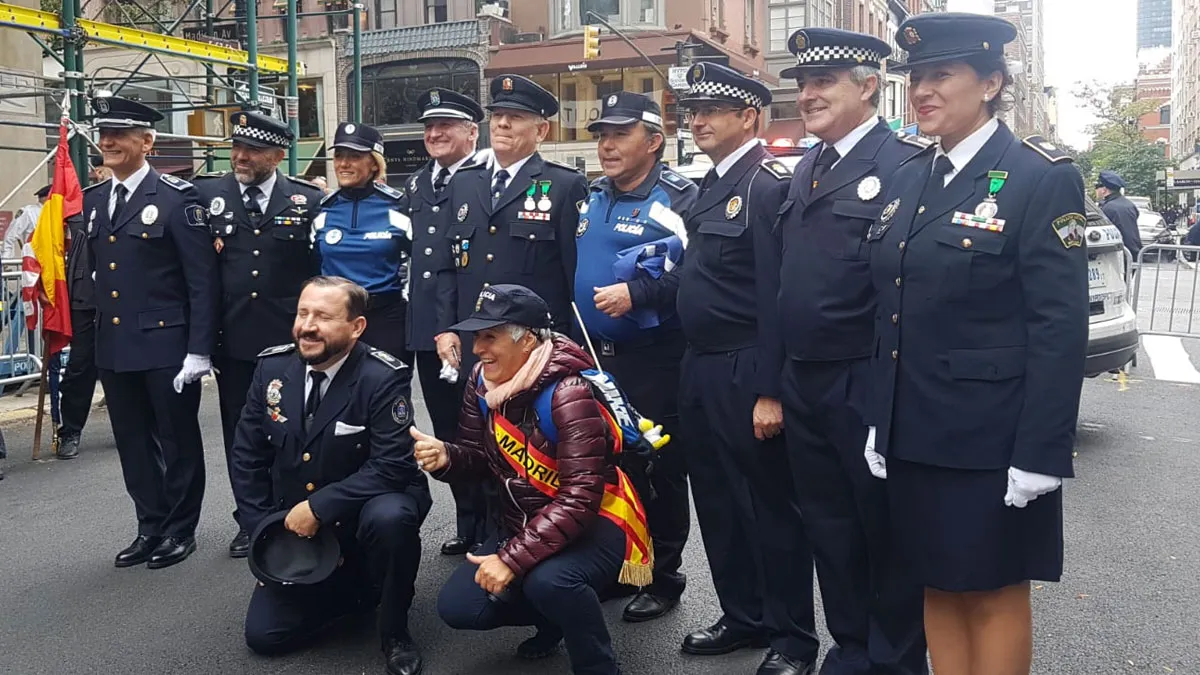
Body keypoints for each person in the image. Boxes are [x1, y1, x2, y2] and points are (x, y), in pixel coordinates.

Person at [867, 14, 1088, 674]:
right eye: (915, 77)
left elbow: (1059, 326)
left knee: (992, 588)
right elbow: (893, 311)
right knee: (936, 579)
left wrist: (1042, 451)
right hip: (916, 431)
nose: (922, 90)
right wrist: (882, 421)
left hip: (992, 437)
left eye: (941, 74)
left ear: (992, 82)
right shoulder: (913, 177)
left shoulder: (1036, 176)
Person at [774, 28, 928, 674]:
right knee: (828, 524)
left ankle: (895, 656)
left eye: (823, 83)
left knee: (882, 525)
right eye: (803, 83)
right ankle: (853, 644)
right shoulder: (807, 165)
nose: (807, 95)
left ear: (867, 86)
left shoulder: (904, 165)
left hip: (865, 376)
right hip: (805, 378)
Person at [415, 284, 651, 675]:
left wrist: (509, 559)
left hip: (596, 524)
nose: (477, 349)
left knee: (551, 582)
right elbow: (476, 459)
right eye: (477, 337)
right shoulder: (481, 380)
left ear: (526, 341)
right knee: (460, 608)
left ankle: (598, 663)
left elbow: (580, 498)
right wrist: (446, 457)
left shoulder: (569, 392)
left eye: (490, 337)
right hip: (524, 522)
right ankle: (552, 620)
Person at [674, 62, 814, 675]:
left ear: (749, 117)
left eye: (712, 112)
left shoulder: (766, 185)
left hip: (745, 365)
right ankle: (743, 613)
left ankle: (791, 636)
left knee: (768, 508)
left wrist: (770, 390)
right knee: (717, 499)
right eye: (693, 112)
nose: (697, 121)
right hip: (700, 365)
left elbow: (777, 295)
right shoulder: (708, 184)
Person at [231, 276, 431, 675]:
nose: (307, 326)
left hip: (363, 512)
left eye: (323, 316)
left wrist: (318, 508)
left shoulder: (381, 376)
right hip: (298, 525)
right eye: (303, 313)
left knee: (391, 517)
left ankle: (394, 629)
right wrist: (264, 534)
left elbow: (392, 466)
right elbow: (246, 456)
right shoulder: (272, 368)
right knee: (266, 637)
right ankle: (355, 591)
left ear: (356, 327)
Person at [575, 91, 696, 623]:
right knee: (609, 466)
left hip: (653, 357)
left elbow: (701, 275)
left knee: (659, 466)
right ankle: (626, 566)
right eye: (601, 134)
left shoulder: (679, 198)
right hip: (594, 358)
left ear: (653, 140)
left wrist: (640, 295)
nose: (606, 145)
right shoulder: (591, 195)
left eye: (619, 134)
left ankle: (664, 577)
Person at [84, 95, 218, 569]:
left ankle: (180, 530)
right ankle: (150, 525)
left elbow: (202, 282)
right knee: (134, 443)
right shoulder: (95, 201)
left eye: (119, 135)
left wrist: (199, 351)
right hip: (116, 347)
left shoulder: (177, 199)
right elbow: (96, 277)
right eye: (104, 135)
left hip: (167, 345)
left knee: (177, 440)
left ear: (147, 141)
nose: (108, 142)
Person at [194, 110, 324, 558]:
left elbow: (317, 273)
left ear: (278, 154)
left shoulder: (307, 200)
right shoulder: (208, 194)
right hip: (235, 341)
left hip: (292, 342)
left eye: (253, 149)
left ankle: (294, 509)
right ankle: (251, 518)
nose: (241, 156)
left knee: (295, 430)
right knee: (242, 434)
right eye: (237, 147)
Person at [433, 74, 588, 378]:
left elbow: (574, 277)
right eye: (498, 115)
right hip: (475, 344)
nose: (502, 124)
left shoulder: (564, 185)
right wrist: (446, 329)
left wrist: (568, 347)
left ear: (541, 130)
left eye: (515, 117)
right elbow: (446, 266)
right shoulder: (463, 182)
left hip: (533, 348)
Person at [404, 88, 491, 556]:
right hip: (425, 332)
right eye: (429, 127)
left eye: (446, 127)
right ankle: (467, 521)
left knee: (487, 430)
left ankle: (497, 522)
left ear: (471, 132)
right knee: (448, 430)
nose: (434, 134)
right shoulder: (418, 183)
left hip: (474, 333)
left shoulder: (485, 179)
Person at [314, 122, 413, 365]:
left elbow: (421, 260)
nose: (343, 164)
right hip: (334, 317)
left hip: (386, 318)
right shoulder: (322, 208)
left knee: (388, 392)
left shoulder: (400, 206)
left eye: (354, 157)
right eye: (339, 156)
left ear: (373, 163)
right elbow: (311, 264)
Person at [57, 177, 99, 460]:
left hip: (126, 302)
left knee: (131, 368)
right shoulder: (75, 208)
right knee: (80, 368)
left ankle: (141, 428)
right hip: (84, 299)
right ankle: (70, 430)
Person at [1094, 170, 1142, 259]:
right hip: (1133, 252)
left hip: (1119, 254)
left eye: (1096, 188)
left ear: (1104, 190)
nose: (1095, 191)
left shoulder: (1108, 208)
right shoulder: (1129, 204)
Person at [2, 184, 47, 260]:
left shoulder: (56, 213)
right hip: (34, 260)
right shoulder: (29, 212)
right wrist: (6, 259)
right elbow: (11, 235)